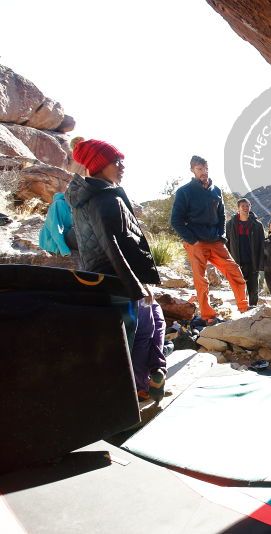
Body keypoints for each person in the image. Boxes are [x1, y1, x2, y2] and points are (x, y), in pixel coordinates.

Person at [65, 139, 167, 403]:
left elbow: (84, 239)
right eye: (116, 161)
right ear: (100, 165)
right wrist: (137, 287)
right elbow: (112, 245)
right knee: (138, 333)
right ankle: (133, 390)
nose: (122, 166)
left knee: (152, 322)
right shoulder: (103, 198)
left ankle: (143, 382)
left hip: (110, 278)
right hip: (117, 279)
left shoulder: (93, 195)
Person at [170, 155, 249, 324]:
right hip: (196, 242)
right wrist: (192, 240)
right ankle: (208, 316)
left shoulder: (216, 190)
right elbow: (176, 220)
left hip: (215, 241)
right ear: (192, 170)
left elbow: (221, 216)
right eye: (199, 169)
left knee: (234, 271)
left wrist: (222, 236)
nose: (203, 172)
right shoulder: (185, 191)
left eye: (205, 168)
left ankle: (244, 308)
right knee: (201, 279)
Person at [225, 198, 265, 306]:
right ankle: (242, 310)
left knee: (253, 290)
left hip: (252, 262)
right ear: (238, 208)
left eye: (247, 206)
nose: (245, 208)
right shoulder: (230, 224)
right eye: (243, 206)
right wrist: (228, 263)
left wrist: (261, 264)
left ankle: (252, 310)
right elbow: (227, 244)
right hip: (237, 263)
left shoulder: (257, 225)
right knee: (239, 289)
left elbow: (262, 245)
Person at [39, 186, 78, 256]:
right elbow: (56, 228)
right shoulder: (59, 204)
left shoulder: (74, 207)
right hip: (52, 242)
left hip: (66, 237)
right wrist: (64, 250)